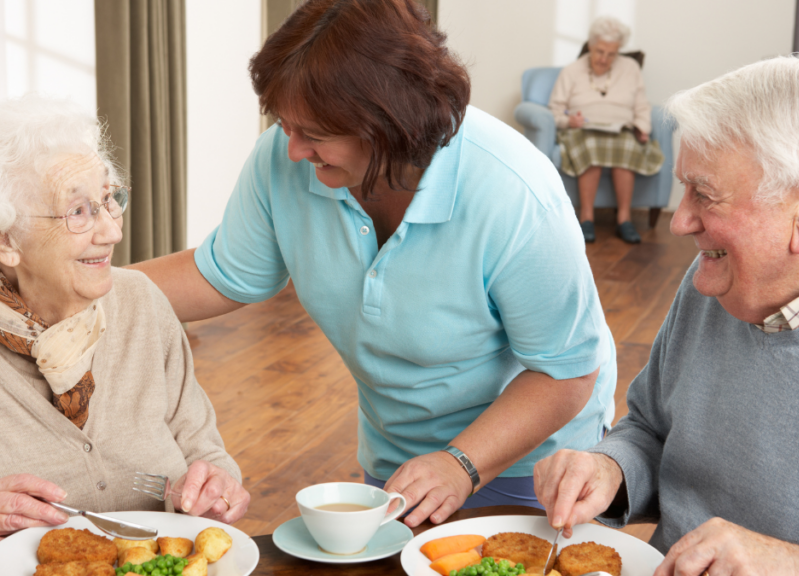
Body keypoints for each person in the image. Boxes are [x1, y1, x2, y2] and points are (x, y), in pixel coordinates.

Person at [133, 0, 617, 529]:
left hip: (535, 465)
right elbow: (220, 274)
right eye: (283, 124)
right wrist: (77, 284)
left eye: (314, 133)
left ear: (388, 123)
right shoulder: (284, 158)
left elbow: (566, 373)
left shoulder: (513, 192)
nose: (292, 149)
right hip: (400, 459)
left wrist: (461, 464)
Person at [534, 57, 799, 576]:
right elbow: (650, 428)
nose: (680, 221)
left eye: (703, 194)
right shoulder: (717, 279)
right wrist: (611, 468)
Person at [0, 96, 248, 575]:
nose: (111, 230)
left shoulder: (143, 305)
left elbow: (206, 452)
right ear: (1, 239)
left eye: (110, 199)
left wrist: (216, 486)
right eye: (78, 211)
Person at [548, 16, 664, 244]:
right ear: (590, 45)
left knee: (628, 146)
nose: (604, 59)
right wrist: (568, 121)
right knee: (591, 145)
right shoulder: (571, 71)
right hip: (582, 130)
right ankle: (586, 218)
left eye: (611, 54)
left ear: (618, 51)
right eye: (600, 51)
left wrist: (643, 127)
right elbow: (555, 110)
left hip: (621, 129)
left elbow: (642, 104)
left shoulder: (630, 68)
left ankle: (624, 219)